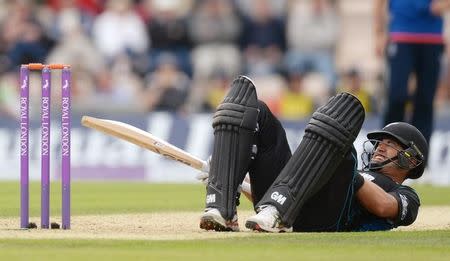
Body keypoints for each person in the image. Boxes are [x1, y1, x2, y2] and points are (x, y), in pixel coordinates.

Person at [197, 75, 427, 232]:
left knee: (340, 125)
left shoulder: (406, 194)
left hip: (328, 218)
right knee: (253, 107)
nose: (380, 147)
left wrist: (348, 174)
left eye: (391, 143)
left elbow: (385, 207)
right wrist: (230, 174)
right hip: (291, 205)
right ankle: (222, 205)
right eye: (380, 142)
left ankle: (278, 212)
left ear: (411, 159)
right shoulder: (351, 167)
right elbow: (278, 190)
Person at [374, 0, 450, 145]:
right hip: (401, 35)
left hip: (431, 38)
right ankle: (386, 145)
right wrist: (379, 32)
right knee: (397, 95)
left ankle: (420, 156)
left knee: (425, 99)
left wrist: (439, 6)